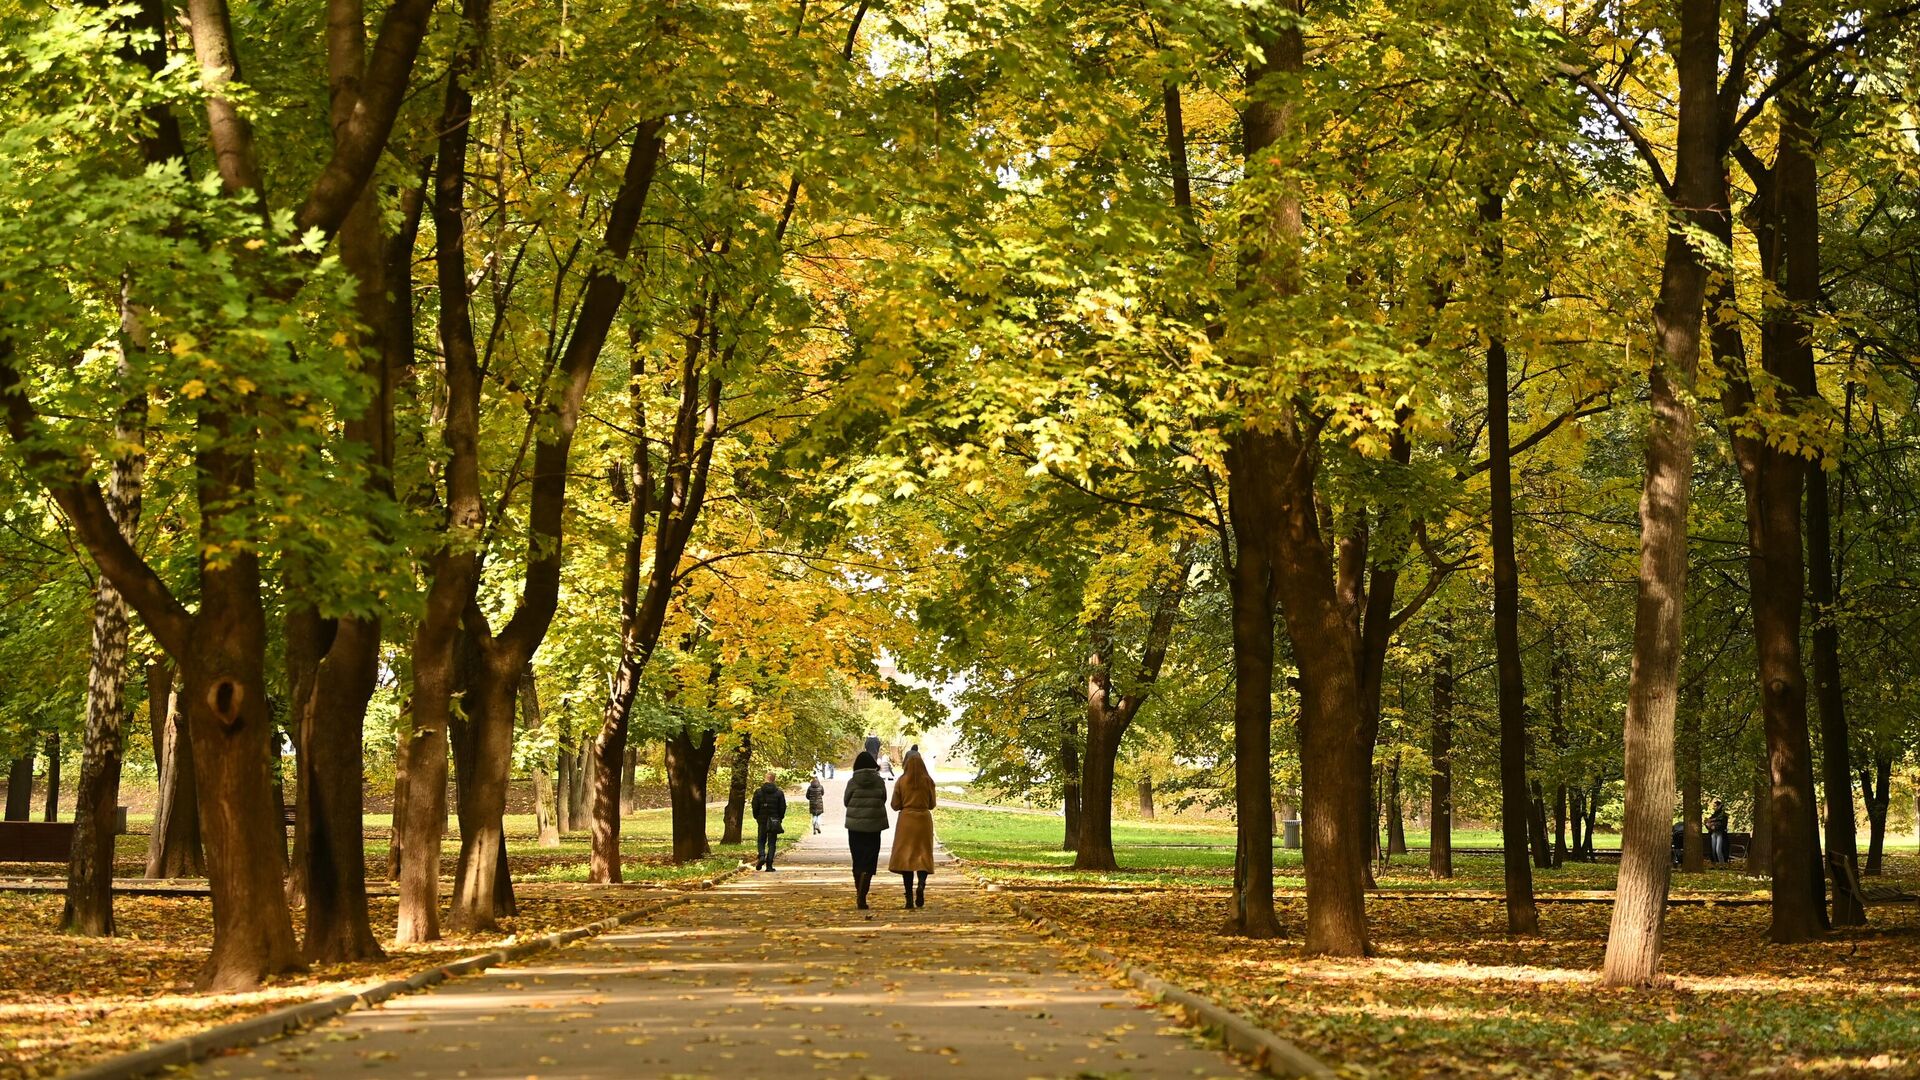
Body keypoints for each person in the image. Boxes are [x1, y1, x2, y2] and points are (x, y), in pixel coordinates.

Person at [889, 752, 937, 909]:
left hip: (906, 821)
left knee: (906, 858)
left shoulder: (901, 781)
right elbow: (932, 804)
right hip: (923, 820)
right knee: (923, 855)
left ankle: (909, 898)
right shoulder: (928, 781)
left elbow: (895, 804)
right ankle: (921, 884)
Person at [844, 751, 889, 909]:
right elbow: (883, 799)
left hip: (855, 826)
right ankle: (863, 892)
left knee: (857, 858)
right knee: (870, 858)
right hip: (874, 825)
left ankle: (859, 890)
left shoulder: (852, 782)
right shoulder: (879, 781)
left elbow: (846, 801)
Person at [751, 771, 787, 872]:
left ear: (765, 779)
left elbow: (755, 806)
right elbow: (782, 807)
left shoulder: (758, 792)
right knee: (772, 843)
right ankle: (769, 865)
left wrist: (757, 816)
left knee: (761, 840)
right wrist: (779, 818)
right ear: (774, 780)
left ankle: (762, 855)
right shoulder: (779, 792)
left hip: (762, 819)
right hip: (774, 820)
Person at [1707, 799, 1729, 865]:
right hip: (1713, 833)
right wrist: (1709, 825)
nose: (1714, 807)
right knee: (1713, 849)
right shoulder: (1714, 815)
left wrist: (1714, 826)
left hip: (1720, 834)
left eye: (1716, 806)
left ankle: (1722, 864)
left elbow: (1723, 825)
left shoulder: (1723, 816)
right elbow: (1708, 823)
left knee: (1718, 849)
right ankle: (1715, 863)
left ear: (1719, 806)